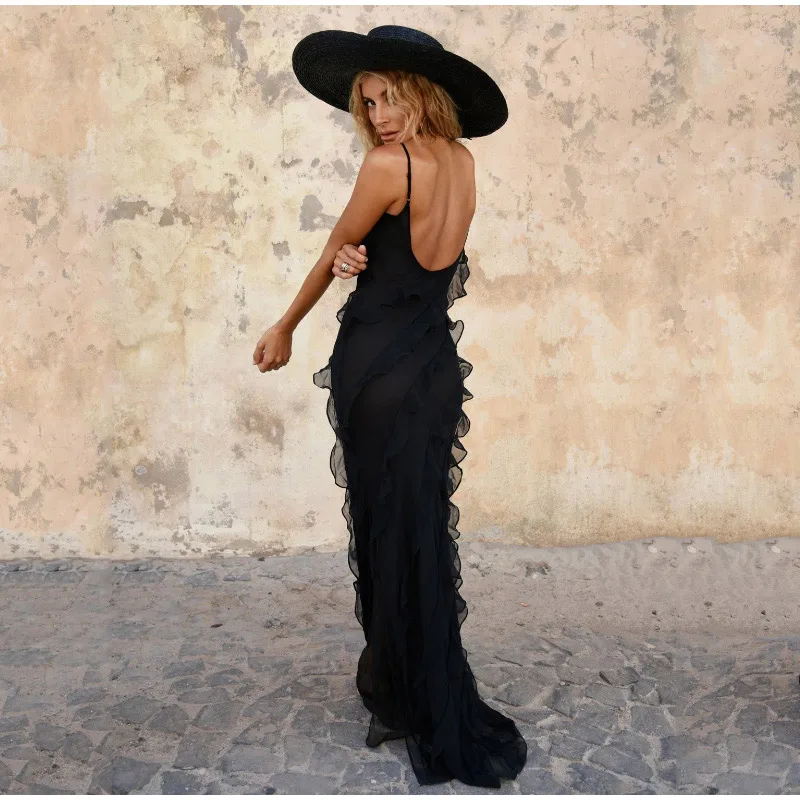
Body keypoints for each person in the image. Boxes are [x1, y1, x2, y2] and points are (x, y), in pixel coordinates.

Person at [252, 25, 527, 788]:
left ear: (421, 94)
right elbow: (420, 258)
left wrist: (285, 325)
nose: (377, 116)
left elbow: (335, 249)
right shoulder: (463, 162)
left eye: (389, 98)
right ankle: (418, 684)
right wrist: (362, 253)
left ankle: (405, 695)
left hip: (377, 368)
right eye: (367, 103)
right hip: (434, 367)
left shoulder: (388, 165)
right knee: (422, 531)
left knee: (384, 531)